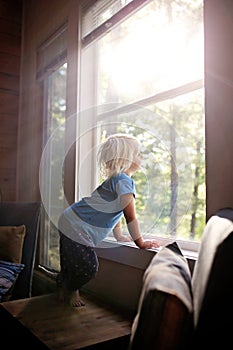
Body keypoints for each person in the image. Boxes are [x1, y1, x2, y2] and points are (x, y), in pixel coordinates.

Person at [56, 133, 160, 307]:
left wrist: (118, 236)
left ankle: (62, 283)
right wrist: (140, 243)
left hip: (70, 219)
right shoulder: (124, 181)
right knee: (88, 267)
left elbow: (115, 212)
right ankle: (71, 289)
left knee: (71, 261)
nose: (141, 157)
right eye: (138, 154)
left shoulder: (117, 180)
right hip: (76, 225)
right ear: (126, 158)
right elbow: (130, 216)